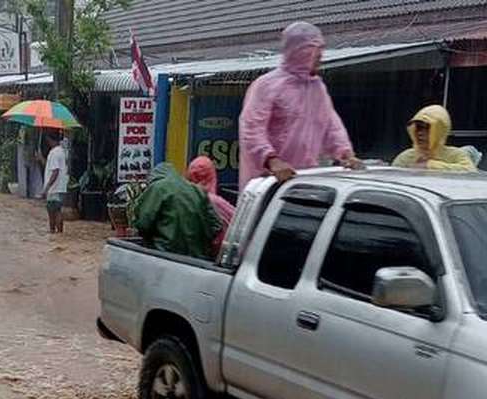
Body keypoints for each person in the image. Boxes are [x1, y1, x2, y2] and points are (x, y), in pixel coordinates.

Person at [238, 22, 361, 190]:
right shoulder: (267, 85)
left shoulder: (317, 88)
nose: (320, 57)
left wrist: (346, 154)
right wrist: (271, 160)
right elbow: (251, 128)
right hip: (268, 182)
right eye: (315, 50)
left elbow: (332, 125)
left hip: (303, 180)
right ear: (300, 51)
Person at [129, 163, 222, 260]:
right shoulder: (197, 190)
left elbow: (143, 223)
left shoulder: (158, 187)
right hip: (197, 260)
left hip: (165, 255)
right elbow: (216, 226)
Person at [393, 105, 477, 172]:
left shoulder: (456, 155)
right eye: (418, 128)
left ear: (440, 130)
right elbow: (393, 179)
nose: (420, 133)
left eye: (427, 128)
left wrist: (430, 165)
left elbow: (470, 171)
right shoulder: (406, 157)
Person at [41, 134, 68, 234]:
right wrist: (41, 159)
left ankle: (53, 231)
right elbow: (51, 167)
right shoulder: (61, 151)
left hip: (54, 188)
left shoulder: (53, 153)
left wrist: (47, 188)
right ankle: (60, 233)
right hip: (60, 187)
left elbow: (55, 171)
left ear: (49, 139)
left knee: (52, 211)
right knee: (58, 210)